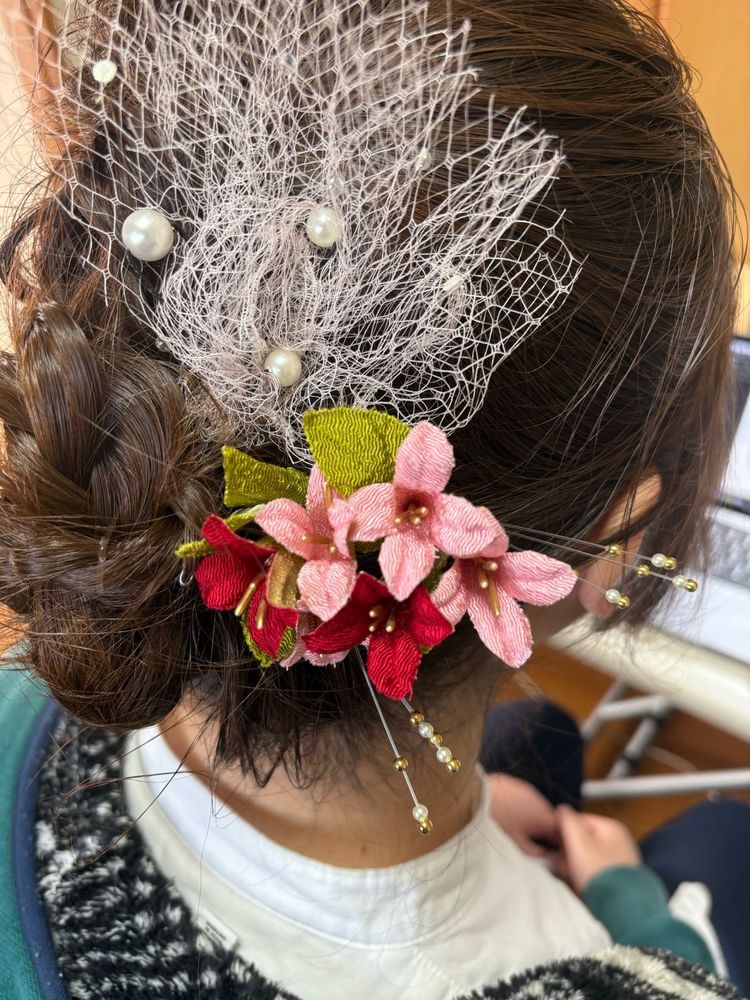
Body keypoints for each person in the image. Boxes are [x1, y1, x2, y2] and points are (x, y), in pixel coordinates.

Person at [0, 1, 746, 998]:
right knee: (721, 844)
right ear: (617, 529)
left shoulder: (33, 691)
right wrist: (635, 908)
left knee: (548, 747)